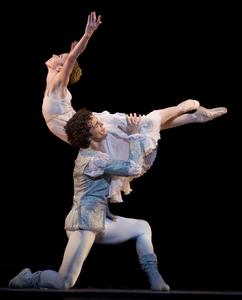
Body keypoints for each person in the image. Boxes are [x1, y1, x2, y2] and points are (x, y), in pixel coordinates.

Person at [42, 10, 227, 203]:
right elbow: (70, 61)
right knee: (141, 128)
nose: (55, 54)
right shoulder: (53, 80)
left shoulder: (57, 86)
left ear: (60, 69)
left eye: (60, 56)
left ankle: (184, 109)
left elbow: (70, 61)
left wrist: (86, 36)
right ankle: (195, 117)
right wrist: (73, 53)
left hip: (87, 126)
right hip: (82, 130)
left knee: (143, 123)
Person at [8, 110, 170, 291]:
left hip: (98, 221)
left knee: (142, 227)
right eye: (96, 124)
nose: (101, 125)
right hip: (83, 224)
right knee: (64, 282)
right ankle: (28, 278)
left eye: (99, 122)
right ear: (87, 135)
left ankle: (155, 279)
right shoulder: (93, 161)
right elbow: (133, 168)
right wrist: (134, 135)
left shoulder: (98, 156)